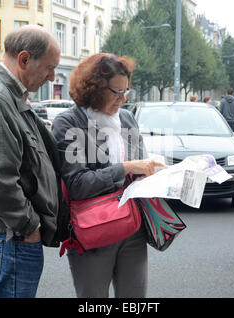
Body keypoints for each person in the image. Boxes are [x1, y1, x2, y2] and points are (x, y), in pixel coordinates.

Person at [52, 53, 165, 298]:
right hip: (92, 229)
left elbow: (140, 171)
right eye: (117, 92)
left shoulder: (126, 119)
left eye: (127, 92)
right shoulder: (69, 123)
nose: (123, 100)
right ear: (94, 89)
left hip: (132, 227)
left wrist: (164, 177)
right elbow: (77, 185)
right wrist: (125, 168)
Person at [0, 25, 63, 298]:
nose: (52, 76)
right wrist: (29, 226)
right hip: (10, 237)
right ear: (24, 59)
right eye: (49, 67)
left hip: (10, 236)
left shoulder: (8, 95)